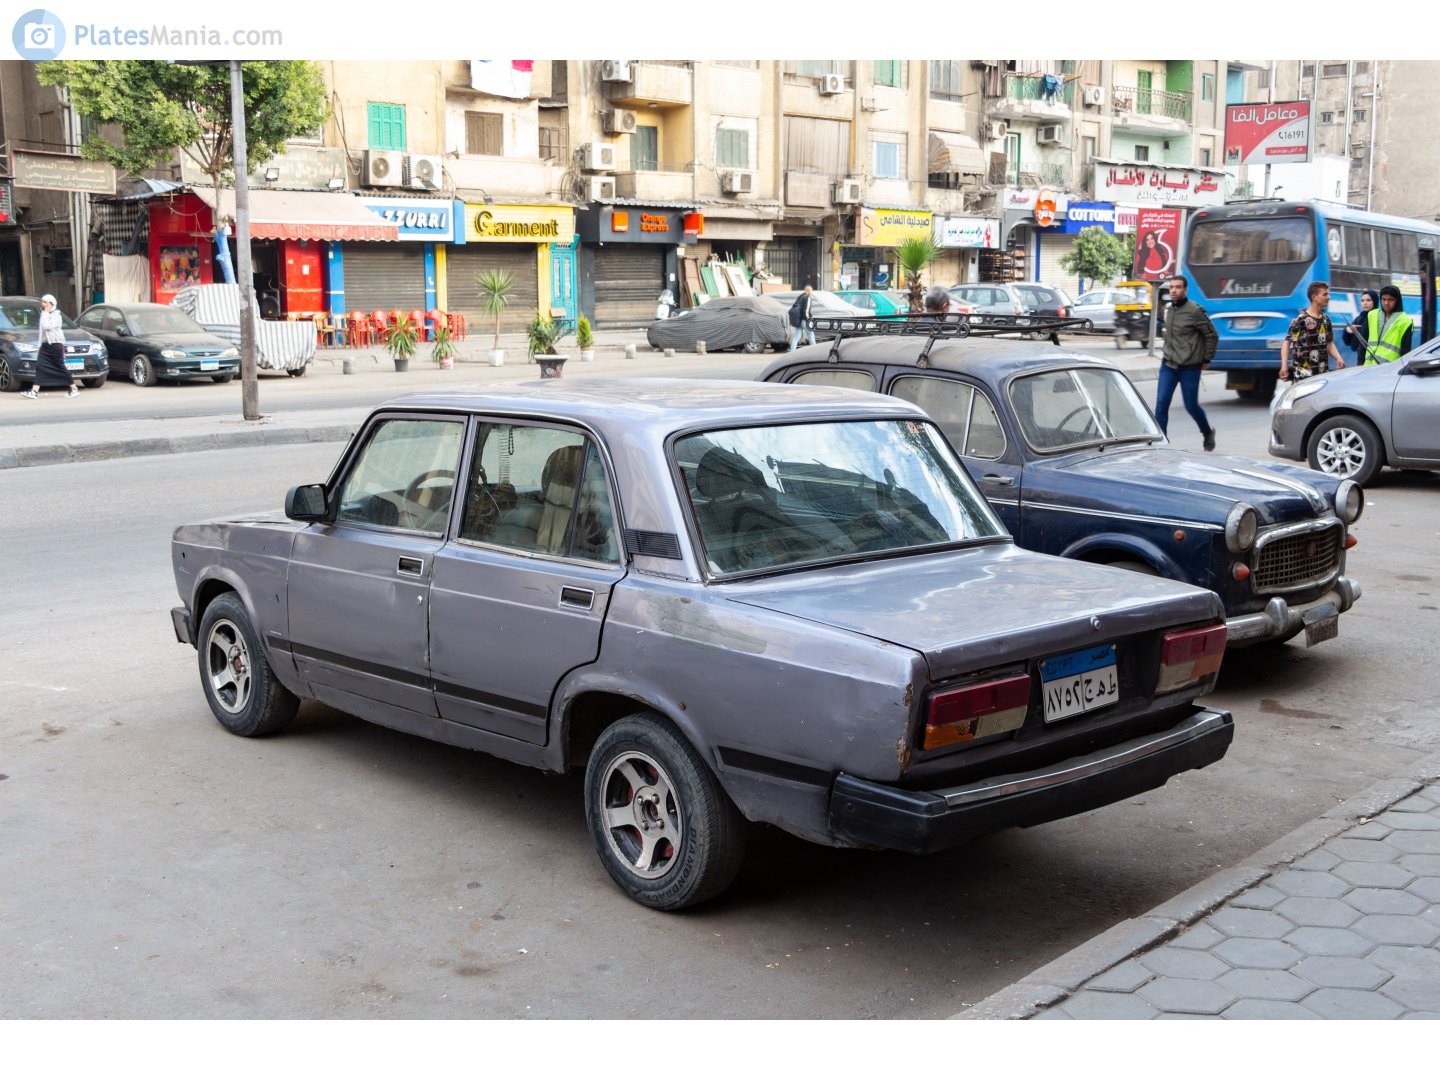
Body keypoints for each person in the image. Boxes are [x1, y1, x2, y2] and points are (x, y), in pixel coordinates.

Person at [1155, 275, 1219, 451]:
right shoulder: (1168, 309)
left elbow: (1212, 335)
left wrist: (1207, 358)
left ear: (1185, 289)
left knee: (1191, 406)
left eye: (1178, 287)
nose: (1174, 290)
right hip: (1168, 364)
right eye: (1171, 287)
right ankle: (1162, 445)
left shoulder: (1195, 310)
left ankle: (1207, 432)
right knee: (1161, 405)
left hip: (1190, 366)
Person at [1279, 280, 1345, 386]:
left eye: (1328, 294)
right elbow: (1287, 342)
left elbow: (1329, 343)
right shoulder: (1301, 319)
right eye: (1325, 294)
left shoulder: (1326, 319)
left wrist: (1338, 358)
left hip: (1322, 375)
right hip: (1303, 376)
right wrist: (1284, 365)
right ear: (1314, 297)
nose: (1329, 297)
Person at [20, 294, 78, 399]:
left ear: (50, 304)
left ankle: (74, 388)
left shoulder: (57, 315)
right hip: (45, 345)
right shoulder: (44, 314)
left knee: (60, 366)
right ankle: (34, 391)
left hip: (55, 344)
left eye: (44, 302)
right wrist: (39, 345)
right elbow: (41, 331)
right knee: (40, 366)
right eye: (42, 302)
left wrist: (46, 313)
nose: (42, 304)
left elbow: (47, 326)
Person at [1360, 284, 1414, 365]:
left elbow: (1406, 352)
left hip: (1390, 370)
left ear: (1397, 301)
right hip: (1368, 368)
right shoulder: (1372, 315)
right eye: (1383, 299)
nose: (1386, 303)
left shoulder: (1405, 322)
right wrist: (1360, 363)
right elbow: (1363, 342)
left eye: (1390, 300)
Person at [1342, 289, 1379, 365]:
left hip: (1375, 359)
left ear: (1374, 301)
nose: (1365, 303)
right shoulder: (1359, 318)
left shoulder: (1379, 317)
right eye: (1362, 300)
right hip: (1361, 359)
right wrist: (1347, 331)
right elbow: (1348, 342)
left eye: (1368, 300)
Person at [787, 285, 815, 349]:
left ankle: (793, 351)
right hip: (805, 320)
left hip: (798, 320)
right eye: (811, 290)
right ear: (809, 291)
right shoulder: (808, 298)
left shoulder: (800, 297)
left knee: (796, 337)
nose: (812, 292)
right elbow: (806, 310)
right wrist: (808, 319)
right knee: (811, 335)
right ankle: (814, 350)